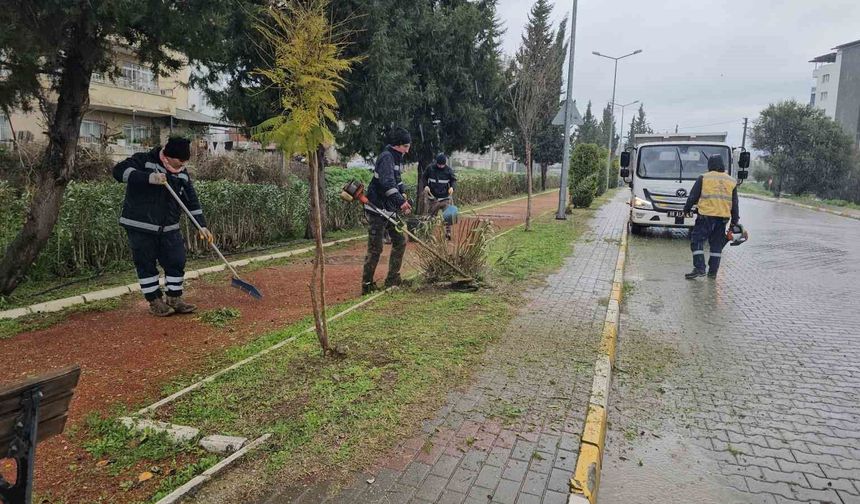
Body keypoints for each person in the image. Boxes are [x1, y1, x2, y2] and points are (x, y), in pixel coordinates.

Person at [113, 136, 214, 316]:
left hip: (169, 227)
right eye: (178, 162)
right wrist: (149, 178)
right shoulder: (143, 160)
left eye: (184, 162)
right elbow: (118, 172)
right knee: (146, 264)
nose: (181, 166)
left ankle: (174, 298)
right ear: (167, 156)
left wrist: (202, 226)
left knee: (177, 260)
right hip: (141, 225)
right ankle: (155, 301)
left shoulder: (182, 173)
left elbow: (191, 201)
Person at [361, 127, 412, 294]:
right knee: (375, 249)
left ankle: (392, 279)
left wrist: (403, 195)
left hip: (389, 209)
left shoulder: (396, 158)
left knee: (400, 240)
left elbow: (397, 181)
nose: (407, 150)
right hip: (377, 209)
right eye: (405, 146)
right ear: (397, 145)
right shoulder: (386, 157)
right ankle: (367, 285)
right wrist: (401, 202)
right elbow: (387, 183)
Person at [683, 155, 739, 279]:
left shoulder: (704, 178)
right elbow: (735, 204)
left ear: (710, 165)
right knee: (716, 246)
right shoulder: (731, 181)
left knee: (697, 241)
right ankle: (713, 273)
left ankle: (699, 268)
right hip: (722, 219)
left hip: (705, 217)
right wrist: (734, 222)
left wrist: (686, 209)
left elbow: (693, 196)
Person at [422, 153, 457, 240]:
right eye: (439, 164)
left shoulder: (449, 170)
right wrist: (425, 185)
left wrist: (452, 187)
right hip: (433, 197)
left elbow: (453, 180)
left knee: (448, 215)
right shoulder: (430, 168)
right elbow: (424, 177)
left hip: (445, 197)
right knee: (430, 216)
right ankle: (428, 234)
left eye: (443, 165)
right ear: (436, 162)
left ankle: (448, 234)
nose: (441, 166)